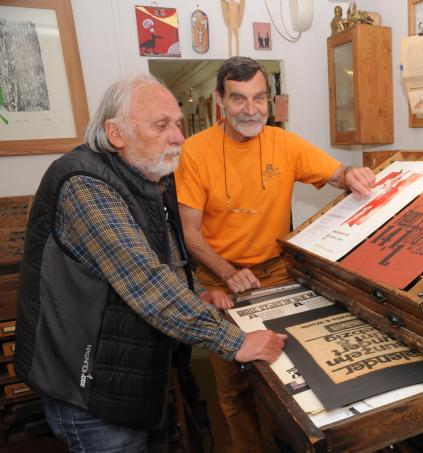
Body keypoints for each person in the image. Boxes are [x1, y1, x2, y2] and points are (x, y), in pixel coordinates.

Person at [14, 73, 286, 452]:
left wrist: (195, 293)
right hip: (89, 389)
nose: (178, 137)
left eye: (177, 124)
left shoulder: (149, 175)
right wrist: (235, 342)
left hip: (131, 376)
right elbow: (142, 278)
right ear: (116, 133)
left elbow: (168, 256)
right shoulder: (84, 184)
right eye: (162, 126)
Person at [174, 56, 374, 452]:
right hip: (221, 283)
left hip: (278, 275)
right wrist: (227, 272)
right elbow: (189, 234)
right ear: (220, 101)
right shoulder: (194, 153)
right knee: (235, 387)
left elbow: (337, 173)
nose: (251, 110)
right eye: (239, 99)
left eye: (259, 98)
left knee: (288, 377)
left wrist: (352, 173)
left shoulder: (284, 143)